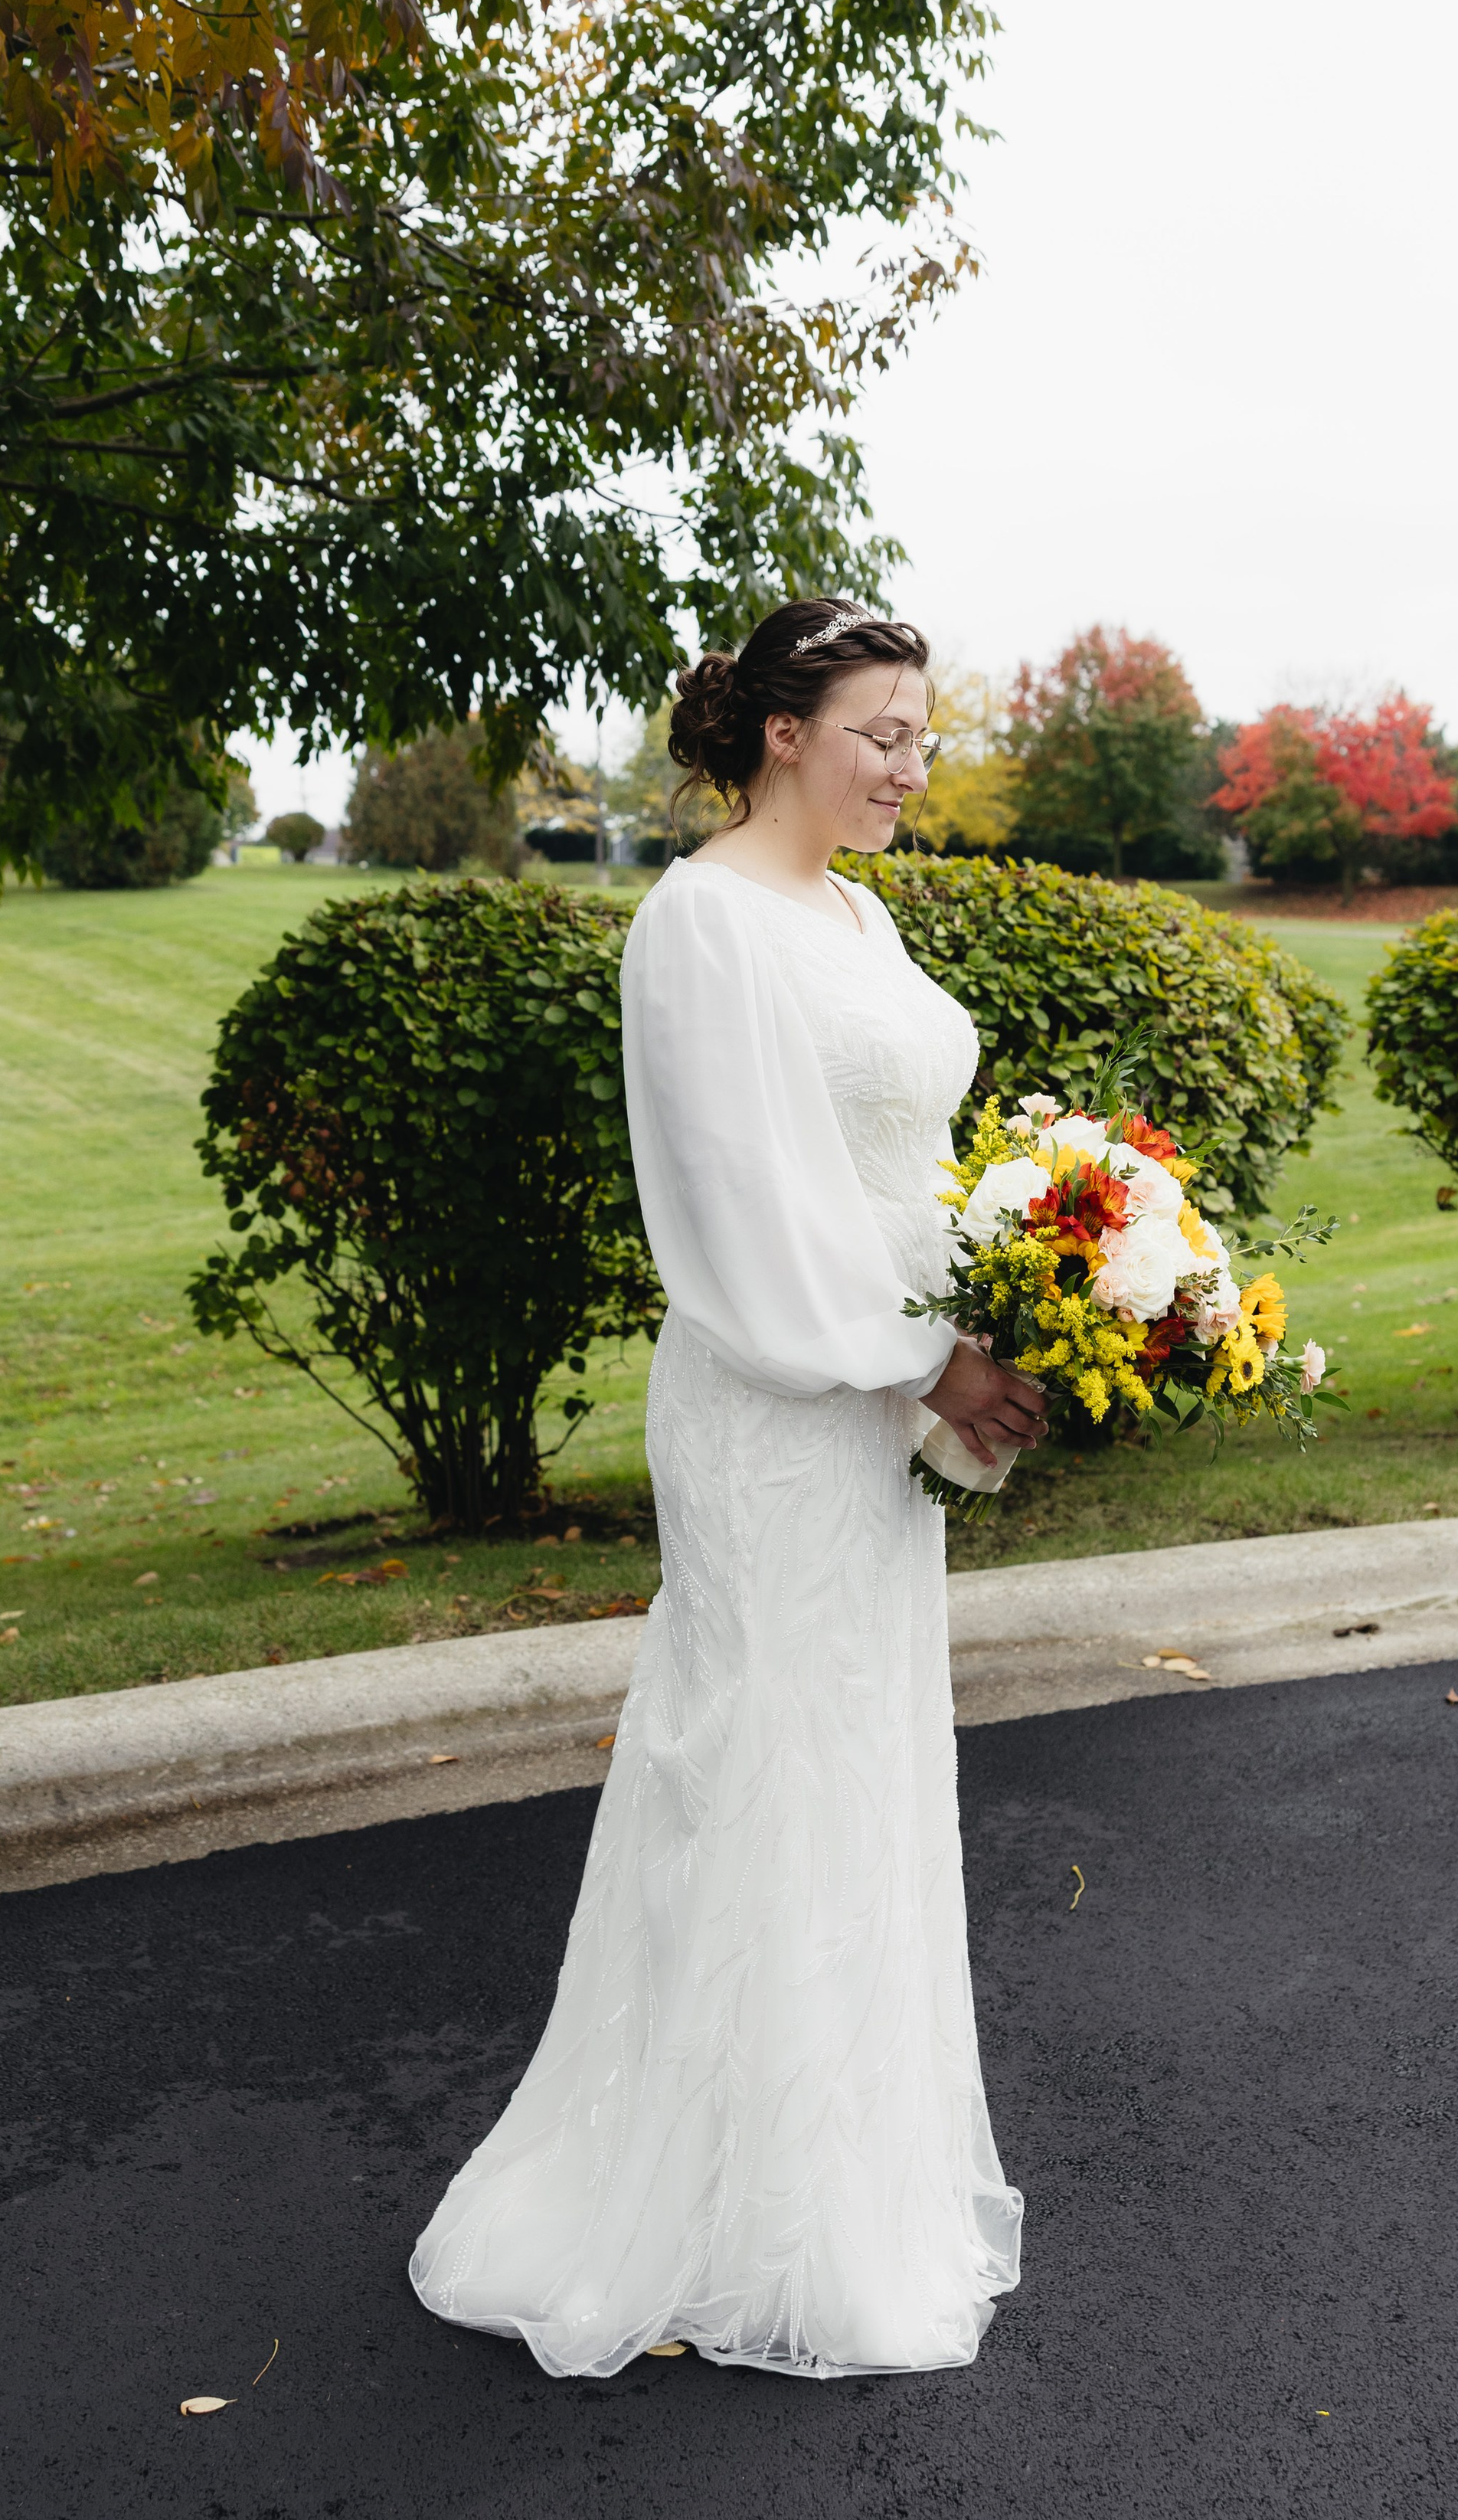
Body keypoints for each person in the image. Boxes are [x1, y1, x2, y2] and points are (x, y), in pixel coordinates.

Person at [409, 597, 1044, 2381]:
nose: (912, 768)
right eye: (882, 735)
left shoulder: (855, 908)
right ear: (783, 733)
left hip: (875, 1399)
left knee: (860, 1766)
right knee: (758, 1766)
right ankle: (700, 2218)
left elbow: (893, 1161)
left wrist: (1030, 1279)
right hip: (777, 1406)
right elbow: (742, 1209)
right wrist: (928, 1361)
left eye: (921, 735)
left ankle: (841, 2185)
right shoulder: (698, 926)